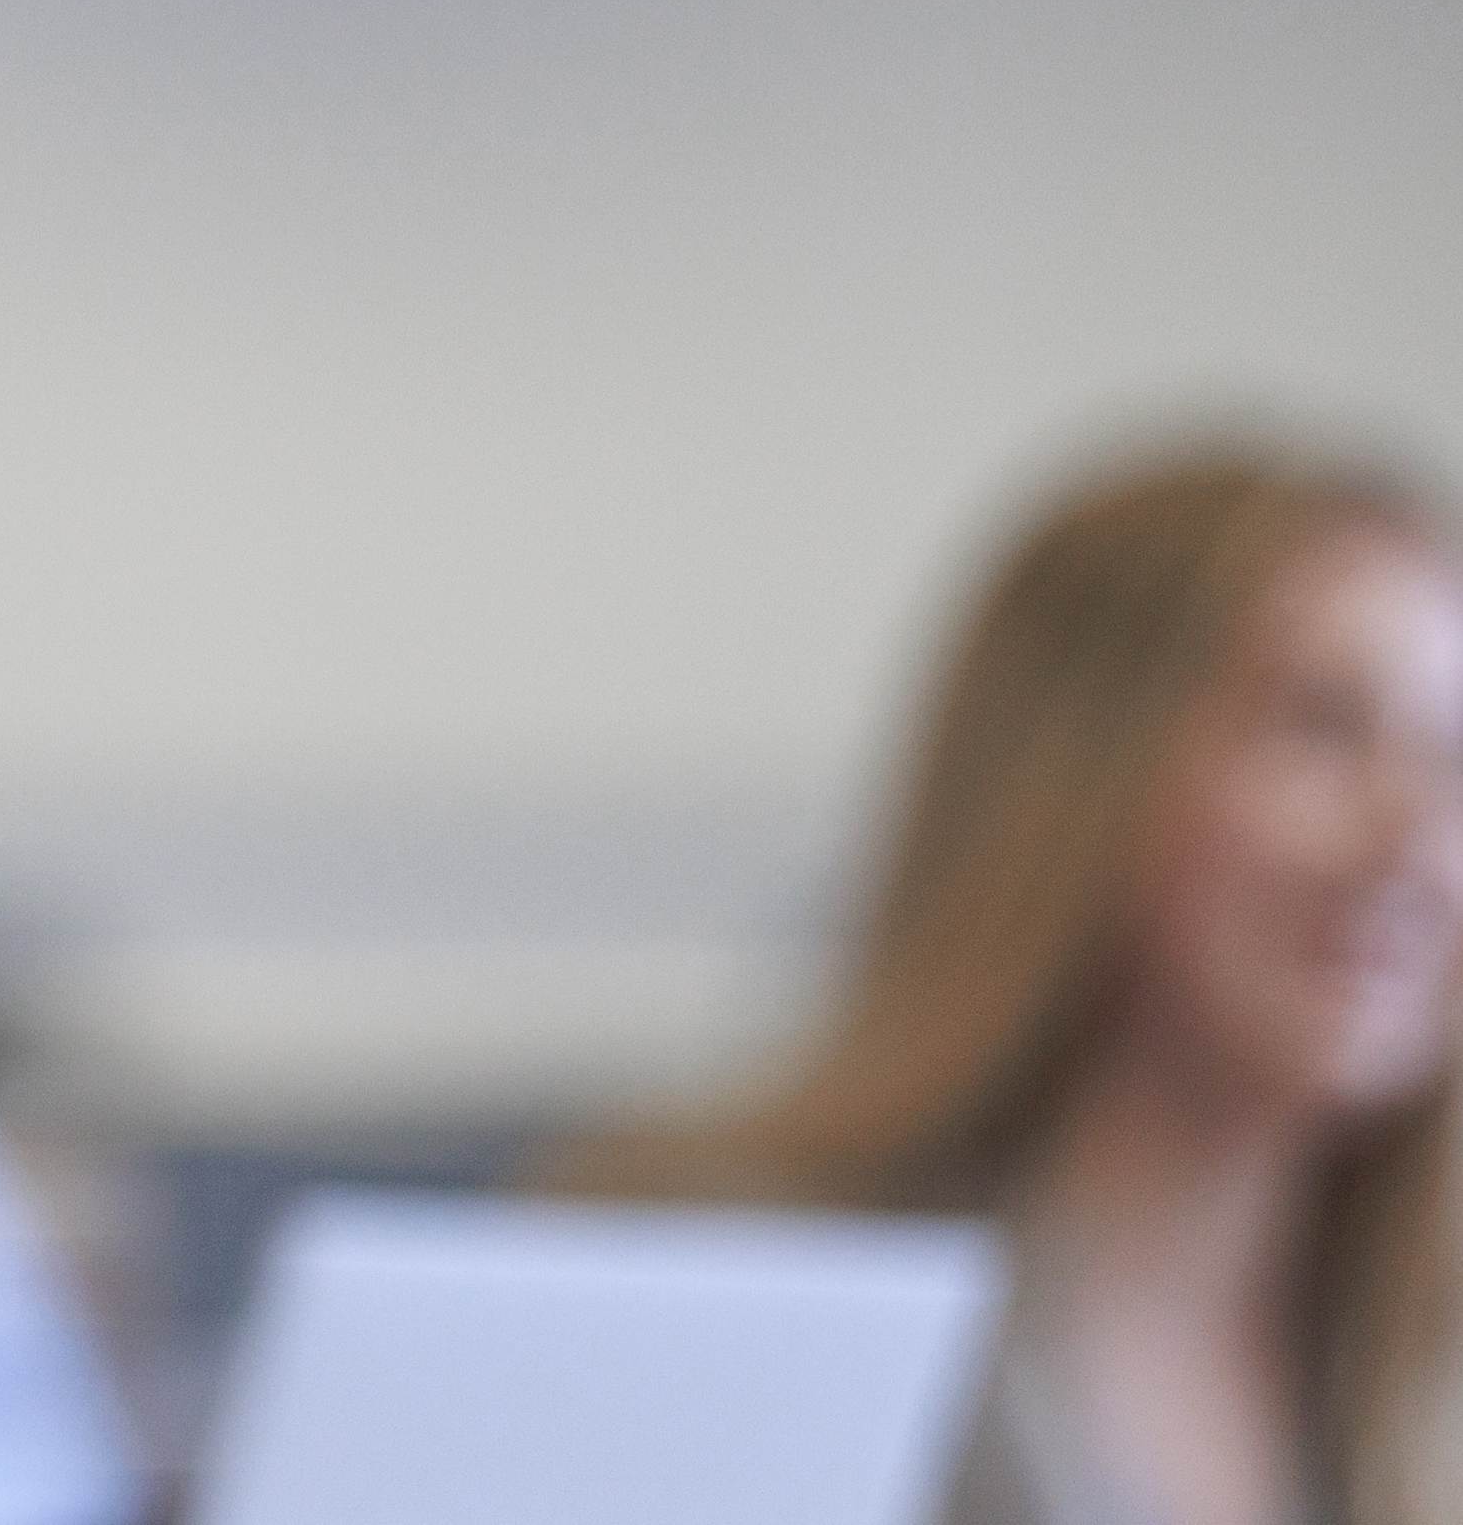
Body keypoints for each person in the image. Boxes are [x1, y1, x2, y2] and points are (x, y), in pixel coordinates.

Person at [556, 440, 1463, 1525]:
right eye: (1317, 729)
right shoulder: (714, 1275)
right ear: (1076, 789)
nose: (1416, 839)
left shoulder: (1409, 1364)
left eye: (1455, 759)